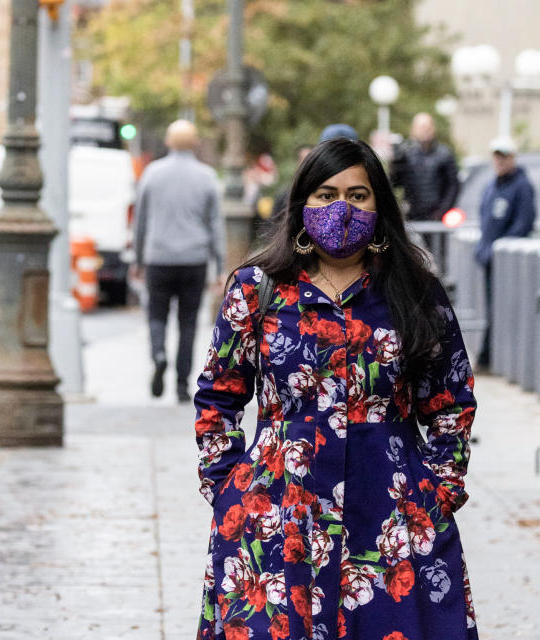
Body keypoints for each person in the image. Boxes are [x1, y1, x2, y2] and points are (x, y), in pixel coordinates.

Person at [194, 138, 478, 639]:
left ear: (379, 204)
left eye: (357, 194)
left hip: (393, 517)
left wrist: (440, 488)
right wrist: (227, 488)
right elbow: (219, 395)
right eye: (325, 194)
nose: (341, 208)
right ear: (302, 205)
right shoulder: (256, 288)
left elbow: (450, 399)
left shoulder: (414, 290)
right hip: (276, 514)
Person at [132, 119, 224, 403]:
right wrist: (220, 266)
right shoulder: (207, 176)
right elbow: (215, 225)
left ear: (169, 142)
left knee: (156, 315)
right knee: (187, 323)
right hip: (193, 259)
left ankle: (159, 355)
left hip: (158, 257)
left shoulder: (152, 173)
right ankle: (182, 385)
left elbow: (141, 221)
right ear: (195, 143)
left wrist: (137, 258)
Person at [474, 135, 536, 372]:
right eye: (496, 155)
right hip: (491, 260)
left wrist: (499, 249)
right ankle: (490, 357)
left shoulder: (521, 186)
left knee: (504, 311)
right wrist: (485, 250)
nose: (499, 161)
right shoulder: (492, 185)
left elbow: (523, 223)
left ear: (512, 158)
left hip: (508, 263)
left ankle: (492, 359)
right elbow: (485, 220)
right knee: (491, 310)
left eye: (504, 156)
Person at [390, 112, 460, 222]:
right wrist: (397, 162)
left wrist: (442, 211)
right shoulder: (406, 154)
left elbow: (453, 185)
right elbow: (395, 182)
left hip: (436, 216)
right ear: (413, 130)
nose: (425, 130)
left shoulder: (445, 153)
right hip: (413, 215)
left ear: (433, 129)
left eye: (427, 127)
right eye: (421, 127)